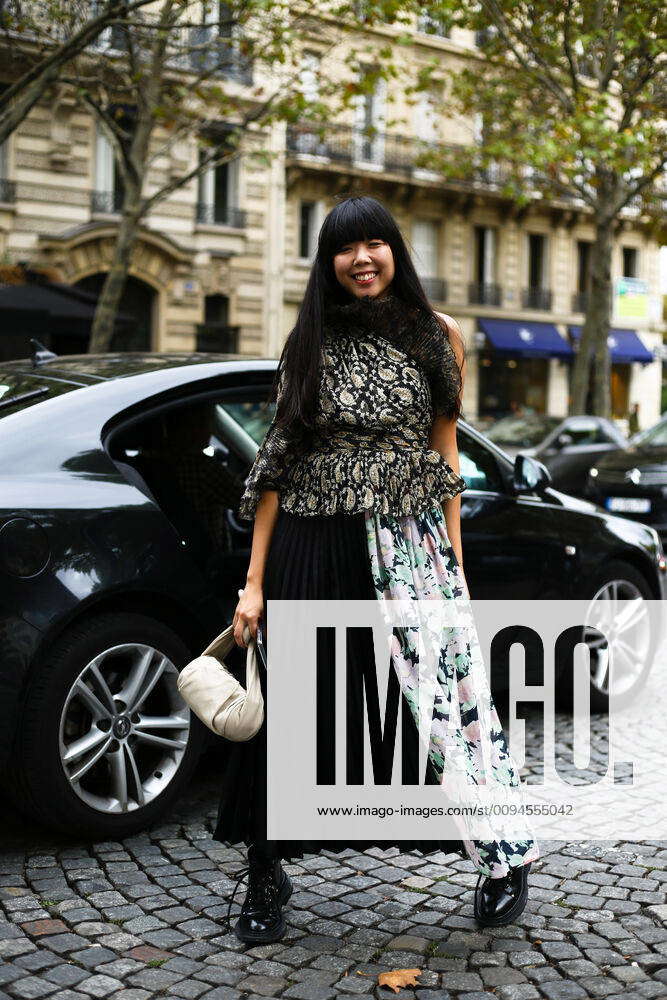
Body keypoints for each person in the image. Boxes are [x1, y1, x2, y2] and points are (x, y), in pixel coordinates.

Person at [214, 194, 539, 944]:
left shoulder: (438, 335)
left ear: (395, 249)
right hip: (309, 538)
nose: (361, 258)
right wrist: (255, 583)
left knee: (441, 697)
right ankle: (266, 868)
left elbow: (444, 454)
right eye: (343, 248)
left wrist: (454, 563)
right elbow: (275, 465)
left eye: (374, 243)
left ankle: (499, 855)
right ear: (327, 263)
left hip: (407, 540)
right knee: (293, 709)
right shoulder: (309, 340)